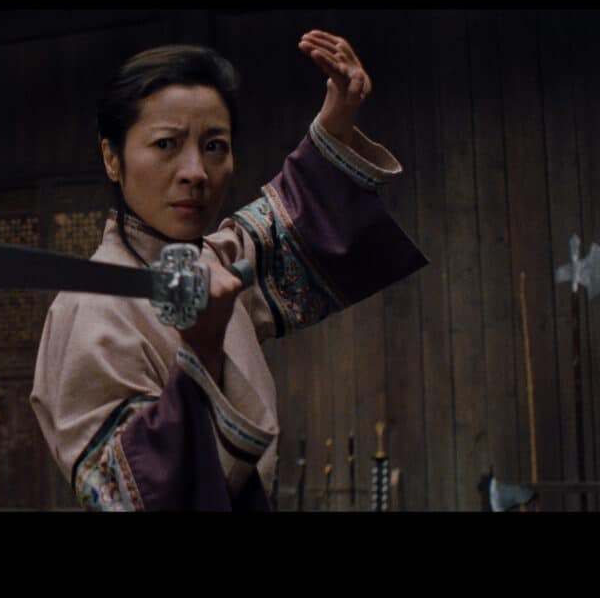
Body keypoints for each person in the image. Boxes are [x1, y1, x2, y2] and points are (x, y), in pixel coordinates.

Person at [29, 30, 428, 511]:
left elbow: (285, 223)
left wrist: (337, 119)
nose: (196, 172)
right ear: (112, 158)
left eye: (215, 146)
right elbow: (127, 492)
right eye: (166, 144)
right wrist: (201, 349)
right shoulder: (89, 309)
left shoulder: (212, 264)